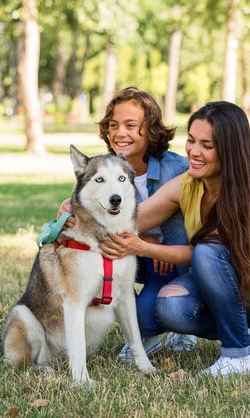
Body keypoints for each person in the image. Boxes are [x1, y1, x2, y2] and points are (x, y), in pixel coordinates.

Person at [100, 101, 250, 376]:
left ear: (229, 149)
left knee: (209, 250)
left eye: (207, 145)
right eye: (191, 141)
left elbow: (210, 253)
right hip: (234, 283)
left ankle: (239, 356)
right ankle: (231, 327)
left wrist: (142, 247)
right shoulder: (188, 183)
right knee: (170, 306)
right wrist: (75, 210)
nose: (194, 152)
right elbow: (132, 220)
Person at [60, 87, 197, 361]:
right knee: (144, 318)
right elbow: (71, 208)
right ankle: (148, 335)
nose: (120, 133)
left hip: (175, 260)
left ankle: (185, 325)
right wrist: (65, 210)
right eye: (114, 125)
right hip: (139, 257)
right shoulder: (105, 167)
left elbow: (219, 167)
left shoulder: (178, 168)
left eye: (131, 125)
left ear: (151, 130)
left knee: (150, 315)